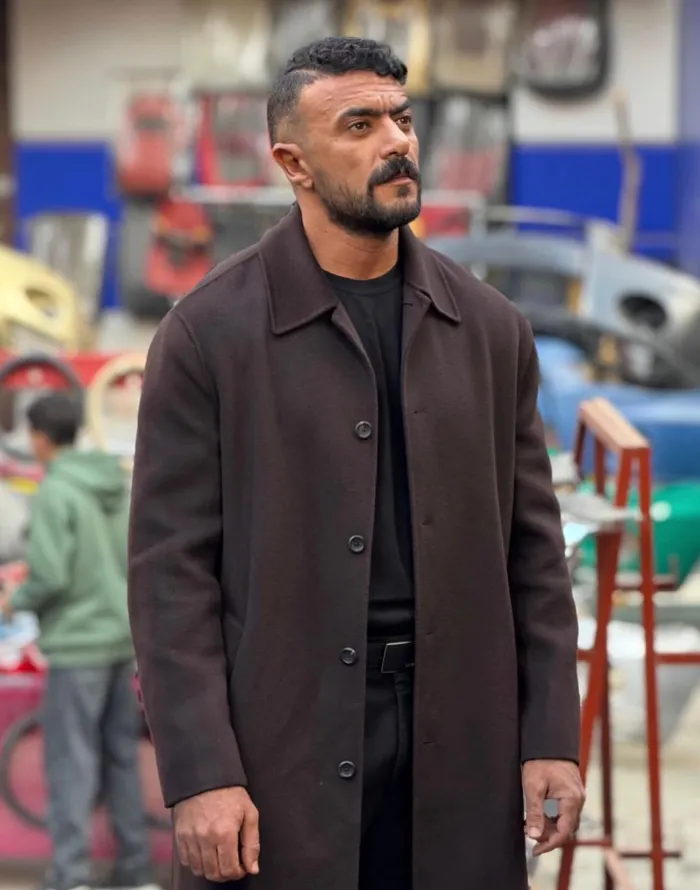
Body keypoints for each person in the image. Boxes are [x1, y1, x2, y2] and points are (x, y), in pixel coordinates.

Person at [128, 36, 584, 890]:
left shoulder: (489, 329)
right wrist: (201, 772)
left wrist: (552, 735)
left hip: (464, 736)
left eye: (403, 120)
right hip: (281, 744)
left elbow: (535, 554)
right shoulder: (209, 335)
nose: (397, 142)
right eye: (360, 125)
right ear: (293, 164)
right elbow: (169, 574)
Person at [0, 393, 155, 890]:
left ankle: (70, 875)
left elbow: (49, 574)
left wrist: (15, 601)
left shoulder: (56, 491)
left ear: (40, 438)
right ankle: (136, 872)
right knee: (121, 758)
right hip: (120, 641)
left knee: (71, 762)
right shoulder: (115, 484)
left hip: (77, 645)